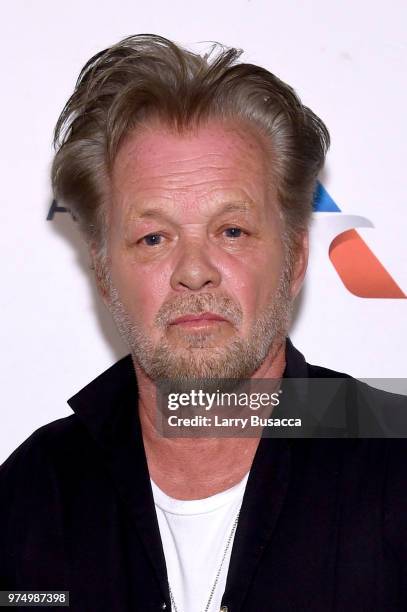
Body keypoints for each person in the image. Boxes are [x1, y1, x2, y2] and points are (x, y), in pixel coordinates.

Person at [1, 34, 406, 612]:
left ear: (295, 257)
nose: (194, 272)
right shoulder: (32, 496)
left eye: (232, 231)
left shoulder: (394, 461)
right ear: (103, 272)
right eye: (153, 237)